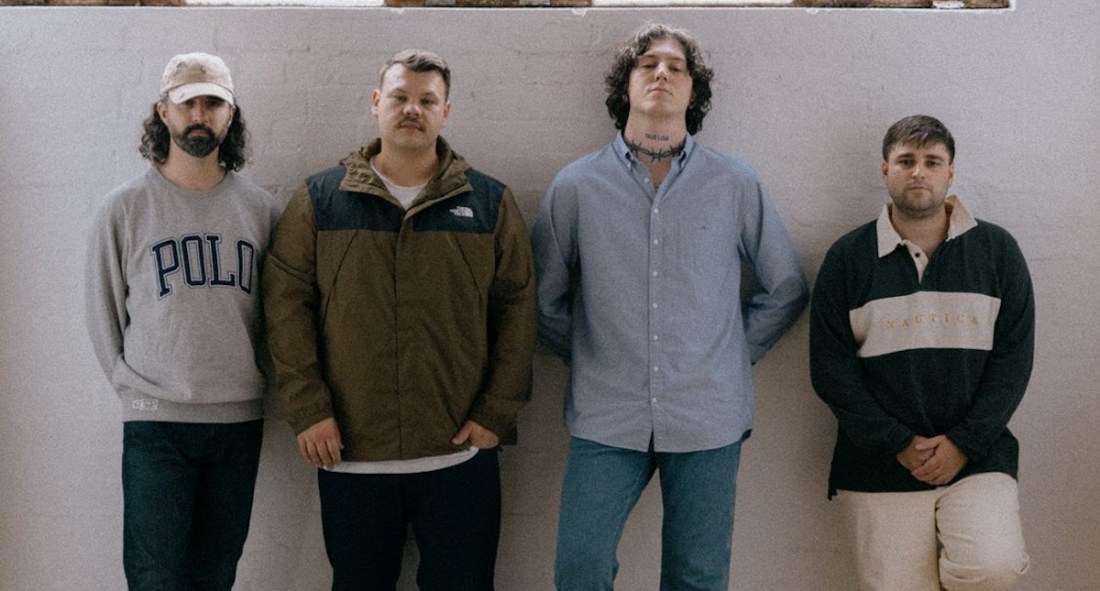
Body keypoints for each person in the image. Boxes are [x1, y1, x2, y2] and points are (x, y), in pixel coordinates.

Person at [532, 23, 808, 590]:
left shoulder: (734, 182)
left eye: (677, 67)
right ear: (625, 86)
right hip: (607, 412)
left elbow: (785, 286)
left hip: (709, 414)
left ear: (693, 91)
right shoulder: (577, 186)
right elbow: (543, 299)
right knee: (579, 568)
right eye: (647, 64)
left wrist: (731, 353)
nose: (662, 73)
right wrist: (590, 351)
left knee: (697, 577)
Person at [262, 49, 537, 591]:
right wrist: (309, 410)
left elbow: (518, 309)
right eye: (400, 97)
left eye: (427, 101)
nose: (412, 109)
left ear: (446, 112)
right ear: (375, 103)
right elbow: (286, 308)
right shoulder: (320, 200)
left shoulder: (488, 203)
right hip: (352, 457)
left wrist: (496, 412)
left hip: (459, 458)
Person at [809, 114, 1033, 591]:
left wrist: (963, 443)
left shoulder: (996, 251)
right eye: (906, 160)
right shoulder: (848, 258)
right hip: (877, 463)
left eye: (932, 162)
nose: (918, 172)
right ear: (885, 170)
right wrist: (899, 443)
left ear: (950, 173)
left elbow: (1013, 362)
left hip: (977, 456)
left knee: (994, 567)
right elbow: (831, 371)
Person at [84, 52, 278, 590]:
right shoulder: (125, 208)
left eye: (213, 102)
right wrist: (131, 387)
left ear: (230, 115)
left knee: (216, 576)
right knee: (155, 578)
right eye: (187, 101)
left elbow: (279, 317)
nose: (199, 113)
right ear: (163, 112)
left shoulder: (261, 210)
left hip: (237, 422)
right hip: (156, 423)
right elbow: (102, 310)